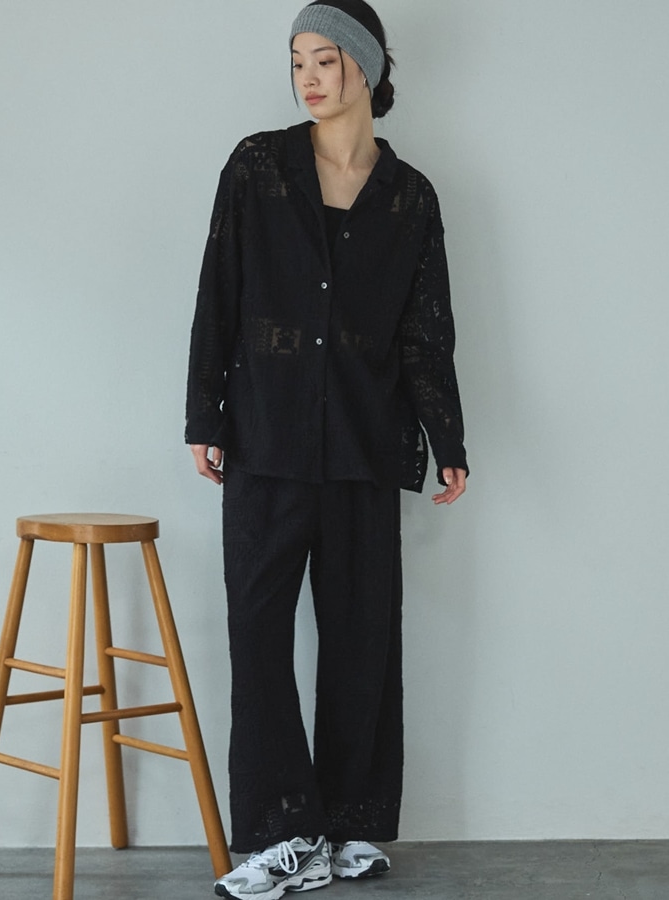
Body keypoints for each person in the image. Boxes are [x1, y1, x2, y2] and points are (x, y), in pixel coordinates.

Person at [185, 1, 468, 897]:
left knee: (361, 639)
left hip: (363, 443)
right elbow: (220, 289)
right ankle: (280, 834)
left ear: (365, 67)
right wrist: (203, 415)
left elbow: (425, 331)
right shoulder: (258, 166)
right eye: (297, 61)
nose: (307, 77)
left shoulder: (410, 196)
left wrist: (447, 437)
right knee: (259, 635)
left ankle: (346, 824)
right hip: (264, 438)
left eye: (325, 60)